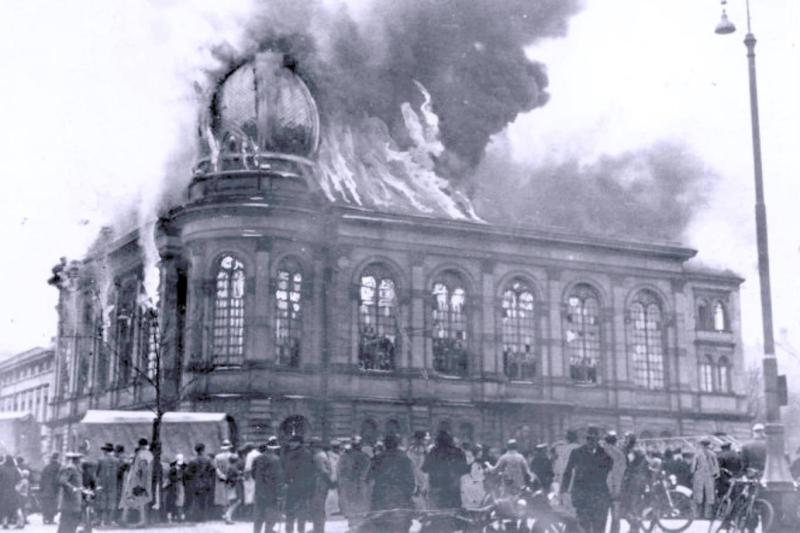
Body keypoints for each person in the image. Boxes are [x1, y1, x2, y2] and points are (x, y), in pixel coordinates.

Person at [560, 427, 613, 533]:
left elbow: (612, 474)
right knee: (583, 528)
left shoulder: (606, 455)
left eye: (593, 439)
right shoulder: (576, 452)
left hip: (599, 497)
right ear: (585, 439)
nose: (591, 442)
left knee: (599, 528)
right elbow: (568, 472)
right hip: (582, 497)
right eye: (588, 439)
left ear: (598, 440)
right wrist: (563, 490)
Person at [366, 434, 416, 533]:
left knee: (382, 525)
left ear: (385, 445)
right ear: (397, 444)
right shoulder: (404, 458)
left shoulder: (378, 458)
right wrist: (408, 494)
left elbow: (369, 477)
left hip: (381, 497)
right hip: (400, 497)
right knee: (401, 525)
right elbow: (410, 480)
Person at [422, 431, 469, 510]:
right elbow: (464, 470)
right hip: (453, 489)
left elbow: (425, 468)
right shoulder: (458, 451)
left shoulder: (433, 452)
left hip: (436, 488)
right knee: (453, 514)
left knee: (435, 515)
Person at [337, 435, 371, 530]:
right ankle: (357, 527)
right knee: (360, 508)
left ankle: (353, 527)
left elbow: (339, 472)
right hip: (360, 486)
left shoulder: (344, 457)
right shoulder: (365, 457)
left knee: (351, 508)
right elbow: (368, 472)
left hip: (349, 486)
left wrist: (341, 485)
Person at [283, 435, 314, 533]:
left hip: (298, 486)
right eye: (290, 442)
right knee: (295, 510)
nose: (291, 444)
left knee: (297, 511)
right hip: (296, 486)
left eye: (293, 442)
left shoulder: (302, 454)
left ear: (299, 443)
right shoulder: (291, 454)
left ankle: (296, 530)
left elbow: (305, 471)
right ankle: (293, 530)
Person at [252, 438, 283, 533]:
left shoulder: (257, 459)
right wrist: (280, 493)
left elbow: (253, 474)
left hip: (259, 489)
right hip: (271, 491)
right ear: (275, 448)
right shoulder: (276, 460)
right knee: (271, 513)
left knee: (259, 514)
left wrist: (260, 483)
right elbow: (278, 478)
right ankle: (268, 531)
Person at [121, 438, 154, 527]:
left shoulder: (140, 455)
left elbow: (139, 469)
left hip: (137, 481)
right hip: (143, 481)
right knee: (140, 501)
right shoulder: (147, 455)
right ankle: (141, 520)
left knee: (133, 500)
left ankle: (126, 519)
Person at [601, 432, 627, 533]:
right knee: (616, 517)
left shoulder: (601, 451)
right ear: (615, 441)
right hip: (617, 488)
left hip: (603, 489)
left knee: (602, 516)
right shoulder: (620, 454)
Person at [184, 443, 214, 522]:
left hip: (195, 482)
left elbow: (187, 472)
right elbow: (212, 470)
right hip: (205, 482)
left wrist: (193, 476)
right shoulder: (207, 460)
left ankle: (195, 517)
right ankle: (203, 517)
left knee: (195, 500)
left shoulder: (192, 460)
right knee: (204, 500)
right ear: (203, 450)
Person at [690, 438, 719, 519]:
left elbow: (693, 467)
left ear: (701, 444)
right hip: (709, 476)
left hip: (699, 476)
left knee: (699, 495)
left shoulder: (697, 454)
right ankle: (707, 515)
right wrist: (715, 475)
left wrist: (693, 474)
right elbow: (716, 467)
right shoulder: (713, 454)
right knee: (709, 496)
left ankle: (697, 514)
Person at [309, 437, 333, 533]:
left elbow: (323, 471)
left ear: (315, 446)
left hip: (319, 485)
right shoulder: (323, 454)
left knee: (317, 508)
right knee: (319, 508)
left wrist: (329, 482)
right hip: (322, 485)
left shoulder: (318, 456)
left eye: (312, 446)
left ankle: (318, 529)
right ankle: (318, 528)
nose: (310, 448)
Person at [552, 429, 580, 511]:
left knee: (565, 500)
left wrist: (556, 476)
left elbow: (558, 465)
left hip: (564, 477)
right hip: (577, 478)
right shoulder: (580, 448)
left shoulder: (561, 449)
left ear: (567, 439)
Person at [57, 452, 84, 533]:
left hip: (75, 502)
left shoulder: (77, 469)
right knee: (67, 523)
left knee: (73, 523)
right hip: (70, 502)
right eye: (80, 460)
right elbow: (62, 481)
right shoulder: (71, 469)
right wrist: (73, 489)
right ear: (77, 461)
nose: (82, 462)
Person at [94, 443, 119, 526]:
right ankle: (109, 520)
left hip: (103, 483)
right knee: (111, 501)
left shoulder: (101, 460)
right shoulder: (116, 460)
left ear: (105, 451)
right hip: (113, 484)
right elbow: (119, 473)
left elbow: (97, 473)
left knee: (102, 501)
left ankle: (100, 520)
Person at [406, 431, 429, 510]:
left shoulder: (425, 450)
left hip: (421, 474)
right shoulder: (411, 449)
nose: (419, 440)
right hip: (414, 473)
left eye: (420, 439)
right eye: (417, 439)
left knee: (423, 492)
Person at [213, 440, 235, 518]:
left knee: (222, 495)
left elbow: (216, 468)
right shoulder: (233, 456)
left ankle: (224, 513)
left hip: (221, 478)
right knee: (229, 495)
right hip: (230, 477)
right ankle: (228, 513)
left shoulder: (217, 457)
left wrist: (221, 475)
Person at [40, 453, 61, 525]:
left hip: (46, 488)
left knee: (46, 503)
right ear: (57, 458)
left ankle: (45, 517)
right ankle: (50, 519)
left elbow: (42, 478)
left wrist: (41, 487)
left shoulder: (46, 467)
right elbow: (59, 478)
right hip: (54, 488)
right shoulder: (59, 466)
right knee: (53, 504)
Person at [164, 454, 185, 523]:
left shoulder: (181, 468)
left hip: (178, 486)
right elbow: (171, 478)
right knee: (175, 502)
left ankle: (177, 516)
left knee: (178, 502)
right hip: (174, 486)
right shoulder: (173, 469)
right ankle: (175, 516)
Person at [222, 455, 242, 524]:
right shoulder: (233, 468)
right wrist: (238, 478)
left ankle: (228, 517)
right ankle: (227, 515)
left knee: (232, 502)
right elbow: (230, 478)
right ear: (235, 461)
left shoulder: (230, 467)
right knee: (237, 501)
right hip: (233, 486)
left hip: (230, 485)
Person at [242, 443, 260, 516]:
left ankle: (250, 513)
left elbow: (248, 468)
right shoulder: (259, 454)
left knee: (249, 495)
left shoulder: (250, 455)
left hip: (251, 477)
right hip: (259, 477)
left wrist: (245, 478)